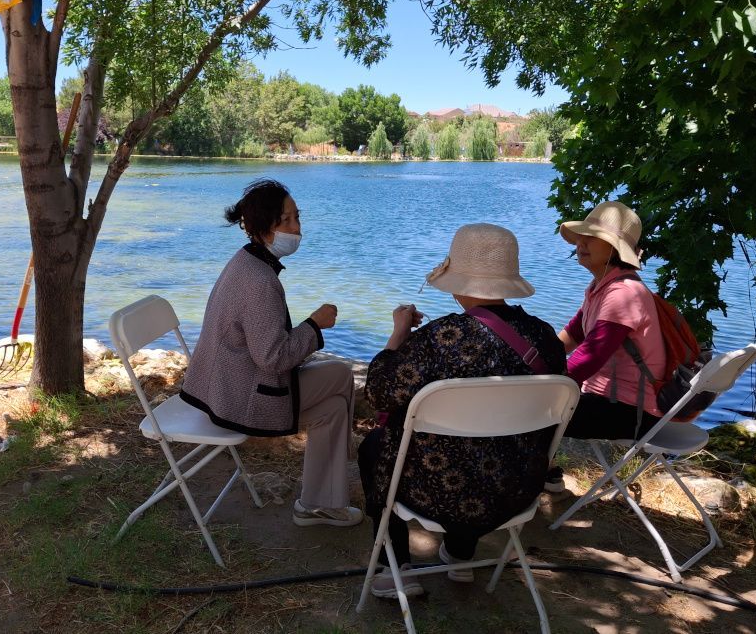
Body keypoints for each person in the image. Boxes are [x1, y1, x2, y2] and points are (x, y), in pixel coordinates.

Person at [358, 224, 566, 599]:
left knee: (375, 445)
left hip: (435, 492)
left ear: (458, 281)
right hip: (514, 489)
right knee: (487, 447)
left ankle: (394, 569)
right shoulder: (545, 338)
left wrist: (398, 334)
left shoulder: (439, 339)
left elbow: (379, 392)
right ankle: (460, 551)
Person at [180, 179, 361, 527]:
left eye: (298, 217)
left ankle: (320, 502)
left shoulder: (244, 261)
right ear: (264, 227)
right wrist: (315, 325)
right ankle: (331, 489)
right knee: (338, 376)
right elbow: (273, 358)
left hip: (217, 387)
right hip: (237, 398)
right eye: (286, 221)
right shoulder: (260, 281)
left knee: (335, 406)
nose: (297, 228)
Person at [550, 200, 667, 490]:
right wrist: (526, 361)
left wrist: (535, 382)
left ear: (614, 249)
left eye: (593, 238)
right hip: (613, 404)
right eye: (581, 236)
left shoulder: (623, 294)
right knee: (532, 400)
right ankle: (542, 474)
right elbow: (569, 337)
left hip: (631, 413)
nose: (582, 243)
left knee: (532, 408)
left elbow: (586, 361)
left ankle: (539, 477)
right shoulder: (600, 288)